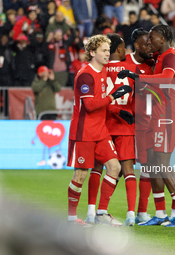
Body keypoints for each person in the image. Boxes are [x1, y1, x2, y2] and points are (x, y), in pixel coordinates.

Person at [118, 24, 175, 227]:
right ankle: (160, 213)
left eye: (152, 38)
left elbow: (168, 78)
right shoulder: (159, 57)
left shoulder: (170, 56)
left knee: (161, 162)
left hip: (169, 114)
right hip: (159, 113)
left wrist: (139, 78)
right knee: (152, 163)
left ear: (163, 38)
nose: (149, 41)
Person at [67, 35, 132, 226]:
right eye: (103, 50)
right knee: (80, 175)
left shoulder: (102, 72)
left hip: (100, 131)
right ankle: (71, 218)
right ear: (92, 52)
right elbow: (89, 105)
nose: (107, 54)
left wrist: (119, 111)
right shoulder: (85, 74)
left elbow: (101, 103)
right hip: (84, 132)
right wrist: (113, 97)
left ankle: (101, 213)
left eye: (108, 50)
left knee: (115, 167)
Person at [85, 33, 137, 226]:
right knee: (128, 170)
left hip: (104, 123)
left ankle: (92, 211)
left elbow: (100, 97)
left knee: (97, 168)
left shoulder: (102, 70)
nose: (126, 51)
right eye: (123, 48)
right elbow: (139, 95)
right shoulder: (132, 69)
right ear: (118, 49)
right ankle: (131, 214)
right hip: (125, 126)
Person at [123, 28, 153, 224]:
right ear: (137, 45)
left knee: (147, 168)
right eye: (146, 44)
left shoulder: (153, 65)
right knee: (120, 169)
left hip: (146, 124)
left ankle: (142, 212)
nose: (150, 47)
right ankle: (102, 211)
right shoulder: (123, 62)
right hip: (124, 123)